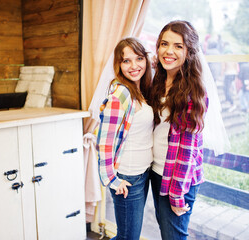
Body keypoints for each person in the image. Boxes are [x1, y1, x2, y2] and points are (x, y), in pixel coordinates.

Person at [147, 20, 208, 240]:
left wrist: (177, 195)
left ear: (189, 51)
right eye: (164, 44)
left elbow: (187, 151)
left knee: (174, 236)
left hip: (177, 179)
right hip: (157, 171)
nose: (169, 51)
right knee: (166, 232)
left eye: (178, 46)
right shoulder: (158, 81)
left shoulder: (192, 91)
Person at [96, 37, 153, 240]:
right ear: (118, 65)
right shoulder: (120, 95)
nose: (134, 65)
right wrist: (112, 179)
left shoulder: (139, 90)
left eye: (139, 58)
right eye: (126, 61)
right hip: (128, 178)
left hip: (141, 173)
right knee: (128, 237)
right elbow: (104, 142)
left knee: (128, 235)